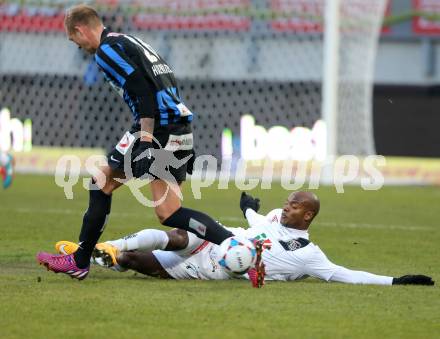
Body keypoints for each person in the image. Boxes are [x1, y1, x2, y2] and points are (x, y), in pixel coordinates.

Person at [36, 4, 235, 280]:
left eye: (74, 40)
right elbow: (163, 82)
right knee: (166, 211)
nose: (78, 47)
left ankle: (79, 261)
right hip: (178, 125)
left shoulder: (107, 50)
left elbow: (142, 92)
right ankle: (235, 243)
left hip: (159, 127)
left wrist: (145, 137)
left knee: (104, 185)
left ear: (80, 29)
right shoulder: (129, 41)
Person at [55, 191, 435, 287]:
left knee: (142, 265)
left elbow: (344, 273)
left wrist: (395, 280)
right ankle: (104, 249)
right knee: (179, 233)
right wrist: (248, 209)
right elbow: (258, 219)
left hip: (217, 270)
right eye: (286, 204)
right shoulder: (271, 216)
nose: (285, 209)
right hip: (222, 241)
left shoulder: (309, 255)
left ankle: (113, 257)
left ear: (308, 215)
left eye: (293, 206)